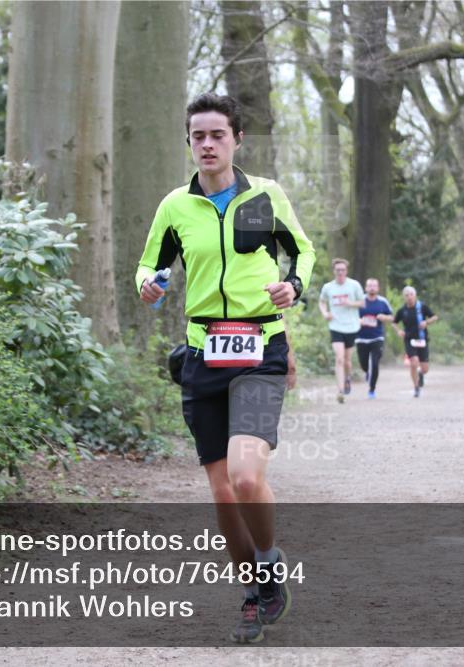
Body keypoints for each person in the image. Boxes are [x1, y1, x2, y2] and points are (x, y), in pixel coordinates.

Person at [136, 93, 315, 644]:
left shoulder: (265, 196)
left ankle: (268, 563)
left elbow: (303, 252)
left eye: (218, 135)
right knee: (222, 492)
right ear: (188, 143)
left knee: (245, 476)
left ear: (237, 139)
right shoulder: (175, 207)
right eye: (198, 136)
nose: (208, 144)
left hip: (260, 352)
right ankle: (253, 595)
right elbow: (149, 265)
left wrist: (294, 286)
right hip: (202, 357)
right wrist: (148, 284)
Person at [318, 258, 364, 403]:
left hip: (351, 326)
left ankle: (347, 378)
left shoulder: (354, 285)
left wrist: (350, 303)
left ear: (346, 271)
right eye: (338, 270)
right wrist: (325, 313)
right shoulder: (328, 287)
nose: (340, 272)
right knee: (339, 358)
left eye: (343, 270)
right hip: (335, 326)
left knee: (347, 361)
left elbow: (362, 303)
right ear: (334, 271)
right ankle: (340, 390)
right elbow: (322, 302)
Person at [393, 286, 438, 398]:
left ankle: (420, 374)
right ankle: (416, 387)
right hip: (409, 340)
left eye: (411, 294)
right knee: (414, 363)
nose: (409, 297)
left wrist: (426, 322)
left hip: (422, 340)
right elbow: (394, 322)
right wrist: (399, 331)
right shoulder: (402, 311)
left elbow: (435, 317)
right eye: (407, 295)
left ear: (415, 295)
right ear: (404, 297)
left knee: (425, 369)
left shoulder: (422, 307)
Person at [355, 278, 393, 399]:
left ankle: (372, 389)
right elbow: (350, 315)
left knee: (375, 363)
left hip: (377, 337)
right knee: (364, 364)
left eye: (374, 286)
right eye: (369, 286)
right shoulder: (359, 301)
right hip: (361, 338)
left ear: (378, 288)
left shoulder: (382, 302)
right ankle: (367, 372)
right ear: (366, 288)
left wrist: (384, 317)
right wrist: (358, 320)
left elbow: (392, 317)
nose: (372, 288)